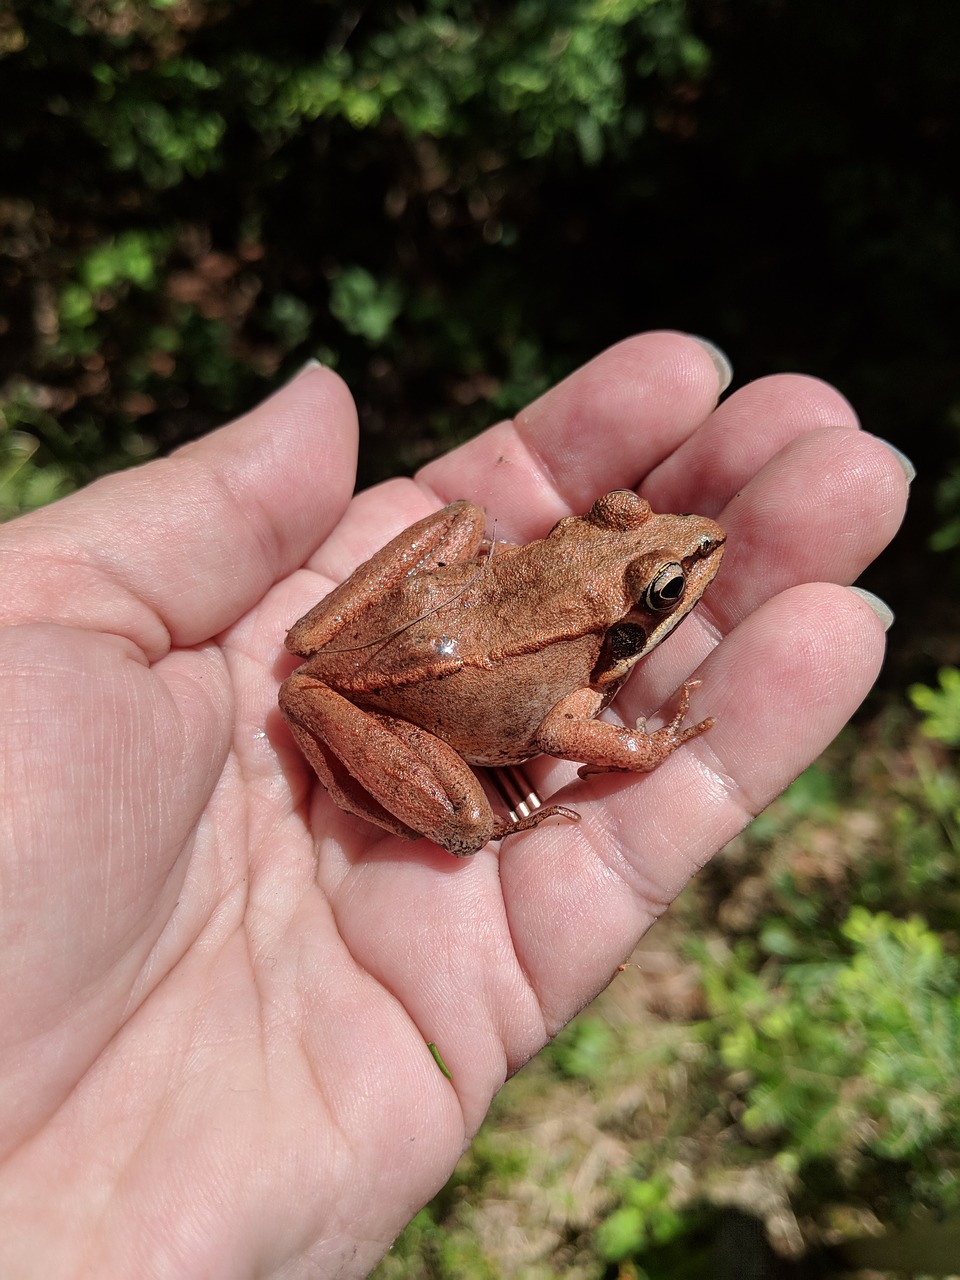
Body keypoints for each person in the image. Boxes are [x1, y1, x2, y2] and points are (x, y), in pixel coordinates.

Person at [0, 332, 908, 1276]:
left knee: (462, 516)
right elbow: (569, 726)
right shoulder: (590, 670)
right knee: (474, 822)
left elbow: (528, 693)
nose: (688, 548)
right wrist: (644, 746)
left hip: (412, 621)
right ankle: (450, 792)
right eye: (667, 584)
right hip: (407, 691)